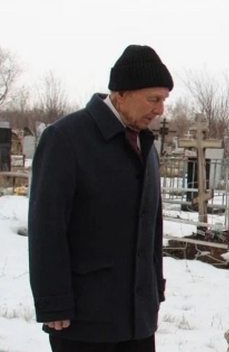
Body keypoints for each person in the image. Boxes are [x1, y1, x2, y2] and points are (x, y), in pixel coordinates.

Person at [28, 44, 172, 352]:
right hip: (85, 318)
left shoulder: (145, 146)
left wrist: (154, 286)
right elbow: (47, 226)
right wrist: (53, 301)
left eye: (164, 100)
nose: (160, 110)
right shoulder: (66, 139)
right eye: (154, 99)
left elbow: (152, 225)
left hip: (138, 317)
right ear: (121, 94)